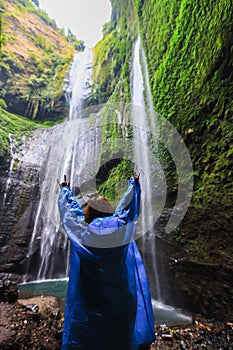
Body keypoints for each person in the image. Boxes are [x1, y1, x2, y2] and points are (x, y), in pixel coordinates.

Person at [58, 173, 156, 350]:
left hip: (88, 304)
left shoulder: (80, 234)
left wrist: (65, 189)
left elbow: (69, 214)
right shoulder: (120, 230)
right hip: (120, 305)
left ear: (88, 212)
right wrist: (133, 185)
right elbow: (128, 210)